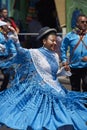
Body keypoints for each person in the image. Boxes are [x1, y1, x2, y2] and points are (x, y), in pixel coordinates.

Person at [0, 26, 87, 130]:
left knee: (64, 118)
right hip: (41, 94)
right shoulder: (34, 53)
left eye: (55, 41)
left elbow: (52, 74)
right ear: (44, 41)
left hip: (57, 91)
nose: (55, 43)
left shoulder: (55, 55)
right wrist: (15, 38)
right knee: (41, 121)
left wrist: (63, 70)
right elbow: (20, 51)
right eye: (52, 40)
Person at [61, 14, 87, 92]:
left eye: (86, 22)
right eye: (82, 22)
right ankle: (76, 104)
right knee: (75, 89)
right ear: (77, 24)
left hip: (86, 67)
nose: (85, 24)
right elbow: (63, 48)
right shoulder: (70, 36)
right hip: (74, 67)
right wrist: (64, 61)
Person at [0, 20, 19, 91]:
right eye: (5, 26)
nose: (7, 27)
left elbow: (15, 42)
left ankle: (4, 88)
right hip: (3, 57)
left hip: (8, 56)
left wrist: (13, 32)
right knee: (7, 74)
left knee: (8, 74)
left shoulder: (8, 35)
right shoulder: (2, 35)